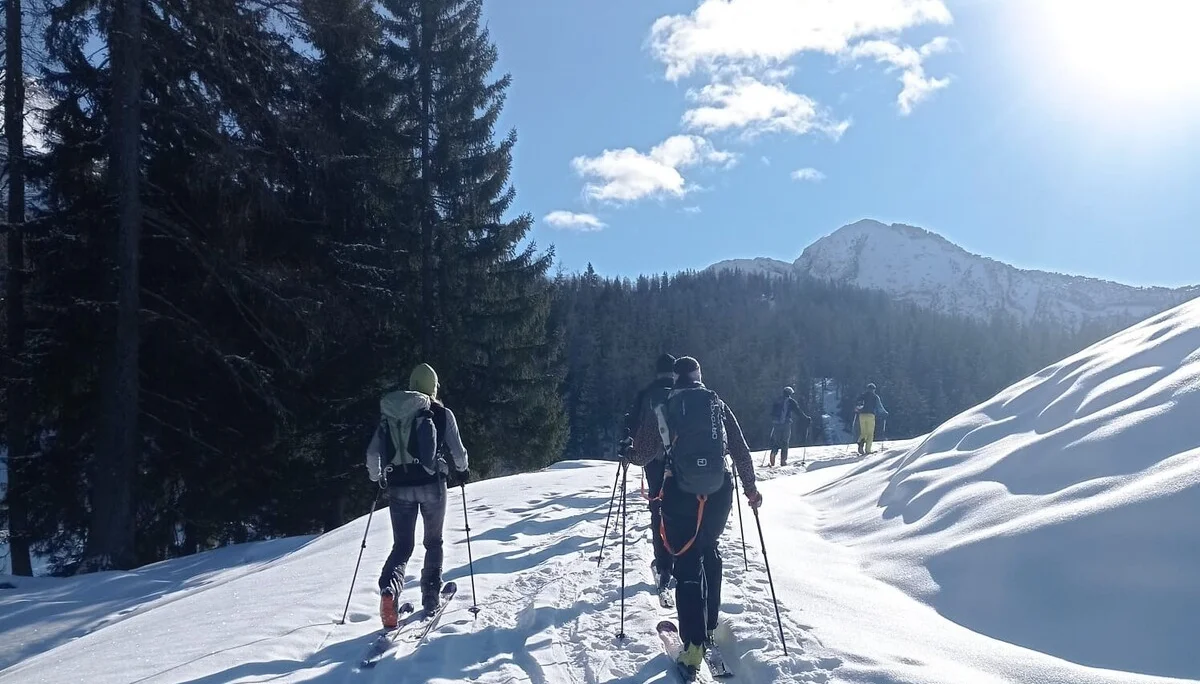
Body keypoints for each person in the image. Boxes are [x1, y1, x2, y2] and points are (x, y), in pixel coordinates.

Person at [628, 356, 762, 678]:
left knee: (687, 563)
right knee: (709, 550)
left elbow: (643, 455)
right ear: (700, 376)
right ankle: (710, 625)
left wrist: (627, 452)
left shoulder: (664, 408)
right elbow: (740, 451)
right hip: (718, 493)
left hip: (680, 494)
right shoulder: (717, 405)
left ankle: (692, 648)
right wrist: (751, 489)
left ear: (676, 379)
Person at [366, 363, 470, 629]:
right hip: (433, 484)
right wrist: (462, 471)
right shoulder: (441, 413)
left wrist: (377, 478)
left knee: (402, 546)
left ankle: (390, 591)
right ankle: (431, 596)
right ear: (434, 387)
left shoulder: (392, 413)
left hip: (399, 487)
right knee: (433, 542)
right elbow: (458, 450)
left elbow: (372, 453)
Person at [619, 353, 677, 597]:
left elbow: (633, 425)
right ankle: (681, 559)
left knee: (657, 507)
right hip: (682, 460)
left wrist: (628, 451)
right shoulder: (683, 392)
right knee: (681, 507)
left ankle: (663, 563)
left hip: (653, 460)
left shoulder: (647, 394)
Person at [767, 386, 810, 467]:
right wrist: (806, 418)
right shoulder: (791, 402)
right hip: (786, 424)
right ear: (790, 393)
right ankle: (783, 461)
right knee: (785, 442)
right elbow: (798, 411)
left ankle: (773, 453)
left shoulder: (777, 400)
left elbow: (772, 412)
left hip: (776, 424)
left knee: (776, 441)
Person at [854, 382, 888, 455]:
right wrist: (885, 413)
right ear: (874, 389)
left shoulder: (862, 396)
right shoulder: (875, 397)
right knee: (870, 433)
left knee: (863, 432)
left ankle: (860, 442)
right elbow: (880, 407)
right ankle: (868, 450)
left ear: (867, 389)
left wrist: (857, 410)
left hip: (861, 415)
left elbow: (856, 403)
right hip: (870, 415)